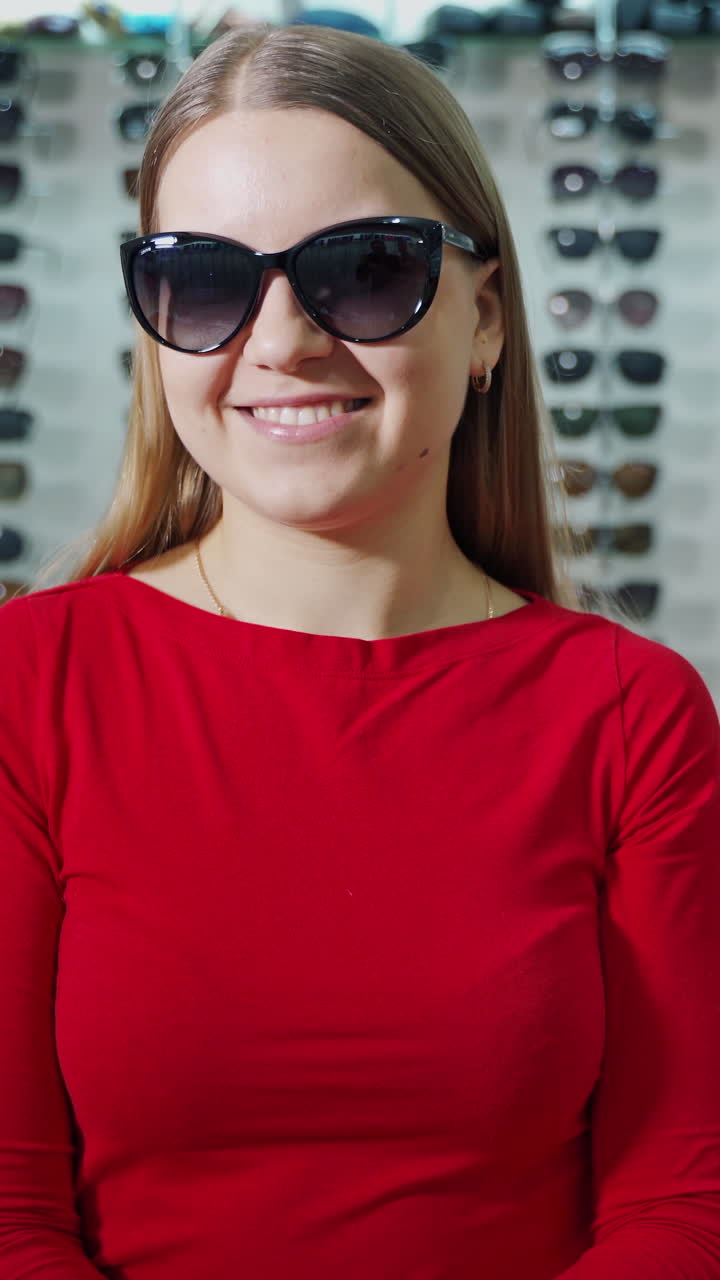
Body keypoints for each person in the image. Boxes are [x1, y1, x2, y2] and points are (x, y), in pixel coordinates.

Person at [0, 21, 718, 1280]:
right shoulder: (32, 685)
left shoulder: (630, 714)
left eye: (367, 269)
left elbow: (682, 1196)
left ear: (485, 319)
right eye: (205, 279)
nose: (280, 341)